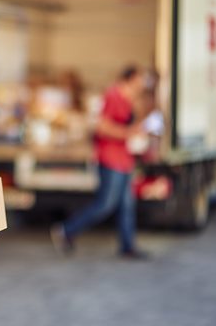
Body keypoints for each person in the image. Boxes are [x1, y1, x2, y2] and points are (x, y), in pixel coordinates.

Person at [51, 66, 148, 259]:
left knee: (127, 205)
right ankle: (66, 231)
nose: (142, 85)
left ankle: (128, 246)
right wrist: (128, 133)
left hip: (124, 160)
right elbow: (102, 127)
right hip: (111, 159)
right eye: (139, 80)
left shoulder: (128, 99)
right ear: (129, 79)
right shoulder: (113, 96)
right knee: (105, 204)